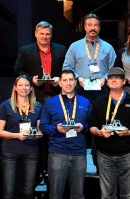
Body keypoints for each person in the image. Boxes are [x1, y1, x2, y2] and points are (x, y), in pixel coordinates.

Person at [89, 67, 130, 198]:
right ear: (107, 81)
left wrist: (129, 132)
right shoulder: (99, 102)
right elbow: (91, 126)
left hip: (128, 154)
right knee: (107, 195)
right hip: (104, 155)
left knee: (128, 195)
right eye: (110, 77)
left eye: (117, 77)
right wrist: (99, 133)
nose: (113, 79)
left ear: (124, 81)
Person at [39, 70, 92, 199]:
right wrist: (56, 129)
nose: (68, 83)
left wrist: (83, 127)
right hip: (57, 153)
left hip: (79, 153)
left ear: (75, 82)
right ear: (60, 83)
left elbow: (92, 125)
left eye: (71, 80)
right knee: (56, 194)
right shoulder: (51, 103)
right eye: (65, 80)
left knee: (78, 194)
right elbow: (43, 126)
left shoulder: (85, 102)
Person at [0, 75, 43, 198]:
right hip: (10, 152)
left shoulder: (37, 106)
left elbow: (40, 131)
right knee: (9, 192)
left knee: (28, 192)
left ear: (31, 88)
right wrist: (17, 135)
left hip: (31, 153)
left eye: (27, 85)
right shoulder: (6, 105)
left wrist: (37, 135)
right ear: (15, 88)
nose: (24, 88)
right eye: (20, 85)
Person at [63, 13, 116, 103]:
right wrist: (78, 78)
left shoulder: (108, 47)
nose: (93, 28)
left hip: (101, 90)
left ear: (99, 28)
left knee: (100, 116)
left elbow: (114, 69)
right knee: (81, 116)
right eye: (89, 25)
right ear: (85, 27)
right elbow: (66, 67)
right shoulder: (75, 46)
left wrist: (105, 78)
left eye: (96, 25)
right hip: (80, 89)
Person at [14, 21, 67, 103]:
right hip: (33, 95)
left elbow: (66, 69)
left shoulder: (61, 50)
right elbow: (18, 70)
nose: (44, 36)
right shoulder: (25, 50)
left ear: (51, 35)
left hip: (56, 94)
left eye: (47, 34)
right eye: (41, 33)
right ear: (36, 34)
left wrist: (60, 79)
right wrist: (31, 79)